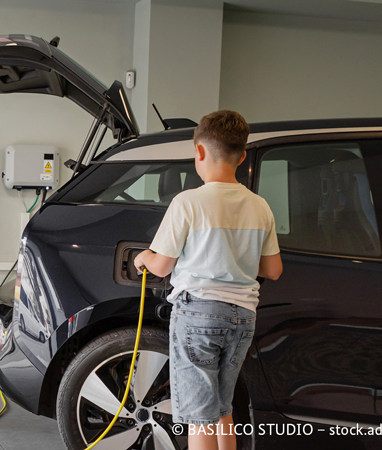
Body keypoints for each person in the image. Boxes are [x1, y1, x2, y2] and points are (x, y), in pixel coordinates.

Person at [133, 110, 283, 450]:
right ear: (242, 156)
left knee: (199, 418)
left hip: (198, 314)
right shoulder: (260, 207)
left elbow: (162, 265)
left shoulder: (188, 202)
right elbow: (273, 269)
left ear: (199, 152)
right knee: (221, 410)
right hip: (242, 317)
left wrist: (144, 257)